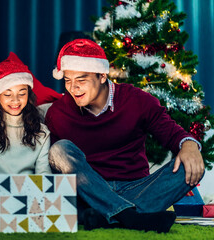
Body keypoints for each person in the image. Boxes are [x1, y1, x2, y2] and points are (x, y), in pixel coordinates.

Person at [45, 39, 204, 233]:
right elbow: (57, 169)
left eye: (81, 79)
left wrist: (189, 144)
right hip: (89, 190)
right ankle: (131, 218)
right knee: (59, 150)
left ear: (102, 76)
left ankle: (107, 216)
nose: (73, 88)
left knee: (190, 166)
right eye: (68, 80)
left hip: (136, 188)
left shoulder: (137, 100)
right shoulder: (58, 113)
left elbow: (172, 134)